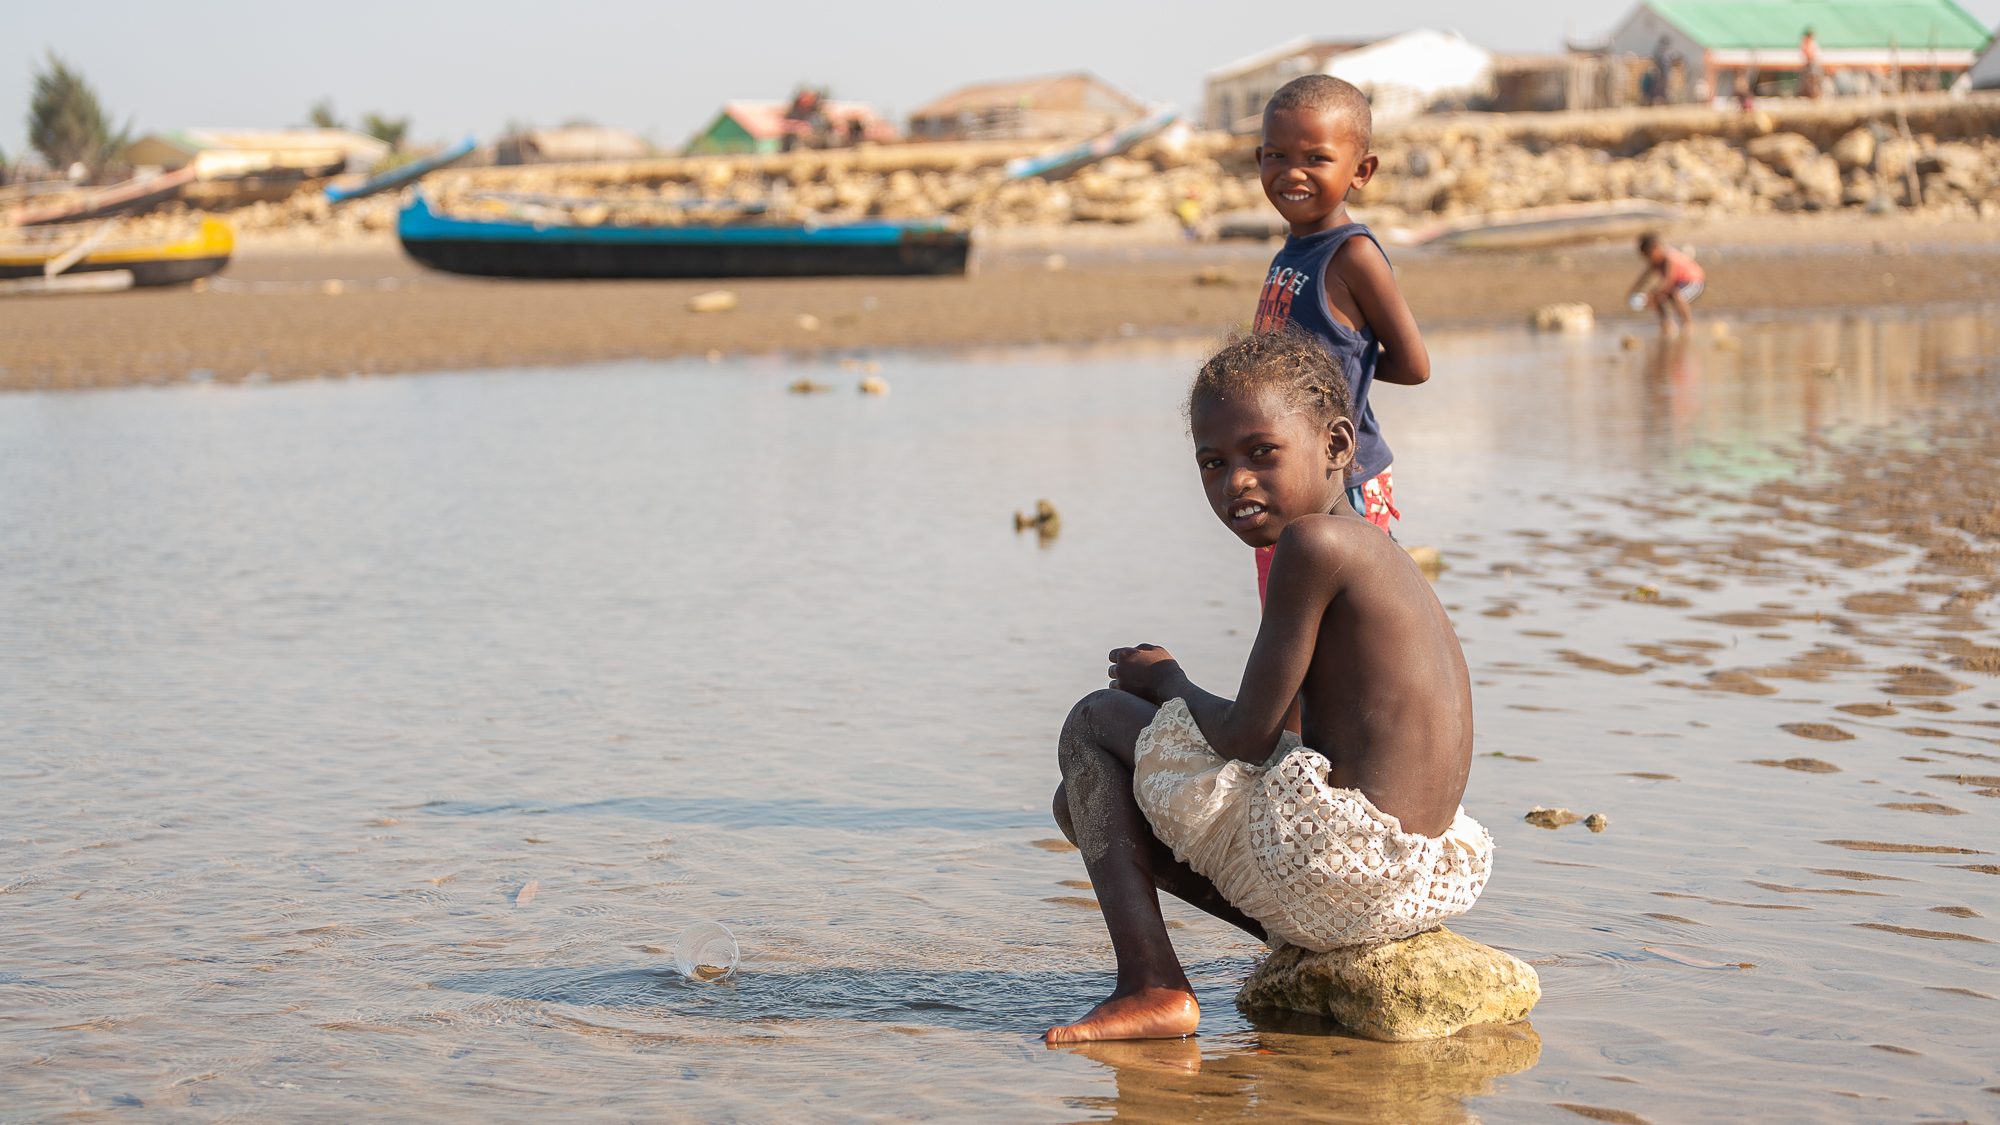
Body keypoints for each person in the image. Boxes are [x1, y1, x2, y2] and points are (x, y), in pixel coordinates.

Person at [1044, 330, 1491, 1043]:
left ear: (1337, 445)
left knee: (1093, 721)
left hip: (1349, 869)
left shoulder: (1312, 546)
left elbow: (1246, 739)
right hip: (1414, 882)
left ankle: (1152, 984)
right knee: (1083, 804)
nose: (1236, 482)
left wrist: (1168, 681)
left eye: (1261, 453)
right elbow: (1289, 735)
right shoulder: (1376, 551)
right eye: (1213, 463)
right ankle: (1288, 947)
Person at [1250, 73, 1428, 602]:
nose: (1293, 172)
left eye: (1316, 158)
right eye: (1277, 156)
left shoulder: (1353, 255)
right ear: (1258, 160)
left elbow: (1414, 365)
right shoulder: (1290, 253)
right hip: (1287, 474)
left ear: (1361, 171)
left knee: (1352, 616)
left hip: (1341, 476)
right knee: (1289, 620)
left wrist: (1347, 369)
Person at [1628, 232, 1704, 335]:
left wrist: (1653, 298)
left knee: (1675, 295)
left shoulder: (1669, 258)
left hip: (1694, 282)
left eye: (1648, 255)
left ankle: (1687, 323)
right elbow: (1644, 278)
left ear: (1655, 248)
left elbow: (1669, 282)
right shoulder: (1656, 261)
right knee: (1656, 293)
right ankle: (1667, 323)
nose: (1648, 259)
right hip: (1678, 284)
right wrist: (1633, 291)